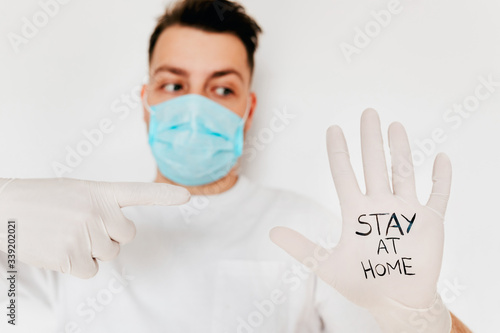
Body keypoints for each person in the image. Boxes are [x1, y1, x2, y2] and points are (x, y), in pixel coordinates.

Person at [0, 0, 471, 332]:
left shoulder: (308, 229)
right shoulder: (68, 228)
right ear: (145, 103)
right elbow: (11, 314)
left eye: (222, 89)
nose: (195, 107)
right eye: (173, 85)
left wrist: (422, 319)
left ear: (248, 108)